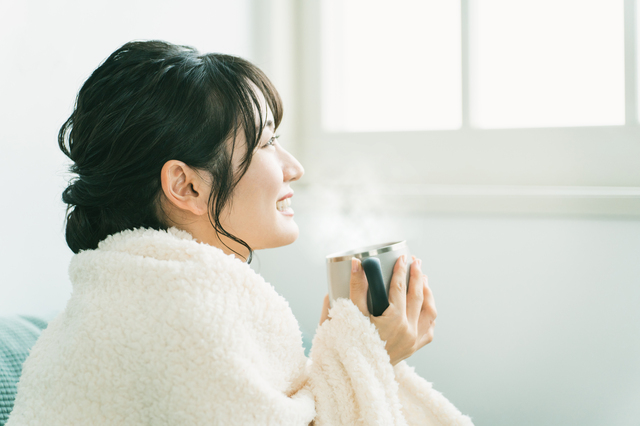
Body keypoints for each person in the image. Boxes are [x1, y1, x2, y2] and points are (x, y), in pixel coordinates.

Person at [7, 40, 472, 425]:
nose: (294, 167)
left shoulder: (157, 297)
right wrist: (368, 352)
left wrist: (367, 352)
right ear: (185, 184)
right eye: (267, 142)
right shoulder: (178, 314)